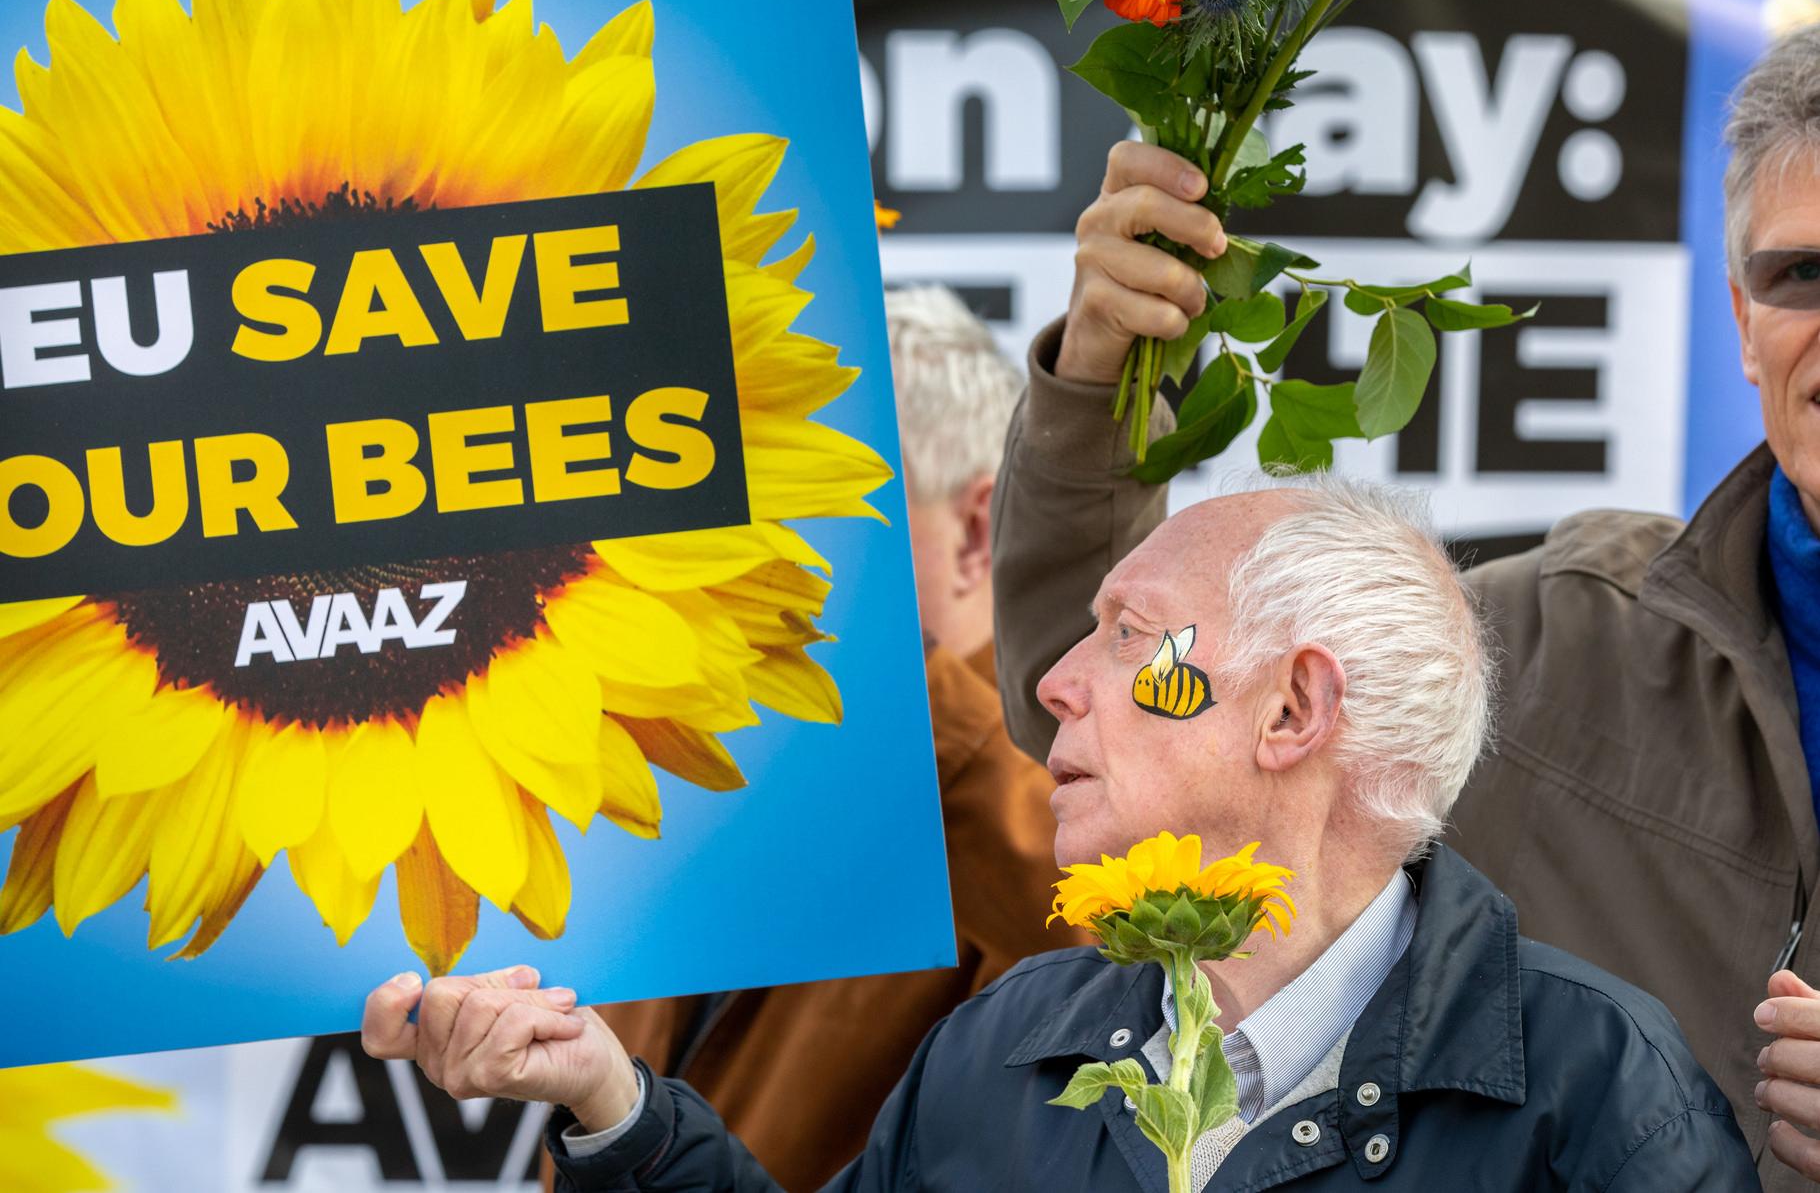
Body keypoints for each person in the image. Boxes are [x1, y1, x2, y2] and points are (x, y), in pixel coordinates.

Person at [364, 477, 1754, 1189]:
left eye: (1132, 638)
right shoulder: (1008, 1043)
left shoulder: (1595, 1091)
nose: (1054, 681)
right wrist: (612, 1103)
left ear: (1293, 709)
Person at [984, 24, 1820, 1190]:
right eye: (1803, 276)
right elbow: (1123, 721)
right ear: (1741, 322)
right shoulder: (1565, 643)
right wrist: (1097, 377)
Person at [526, 284, 1079, 1193]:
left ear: (975, 531)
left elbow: (1147, 973)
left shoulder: (1058, 772)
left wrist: (895, 677)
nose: (753, 555)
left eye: (811, 504)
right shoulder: (726, 737)